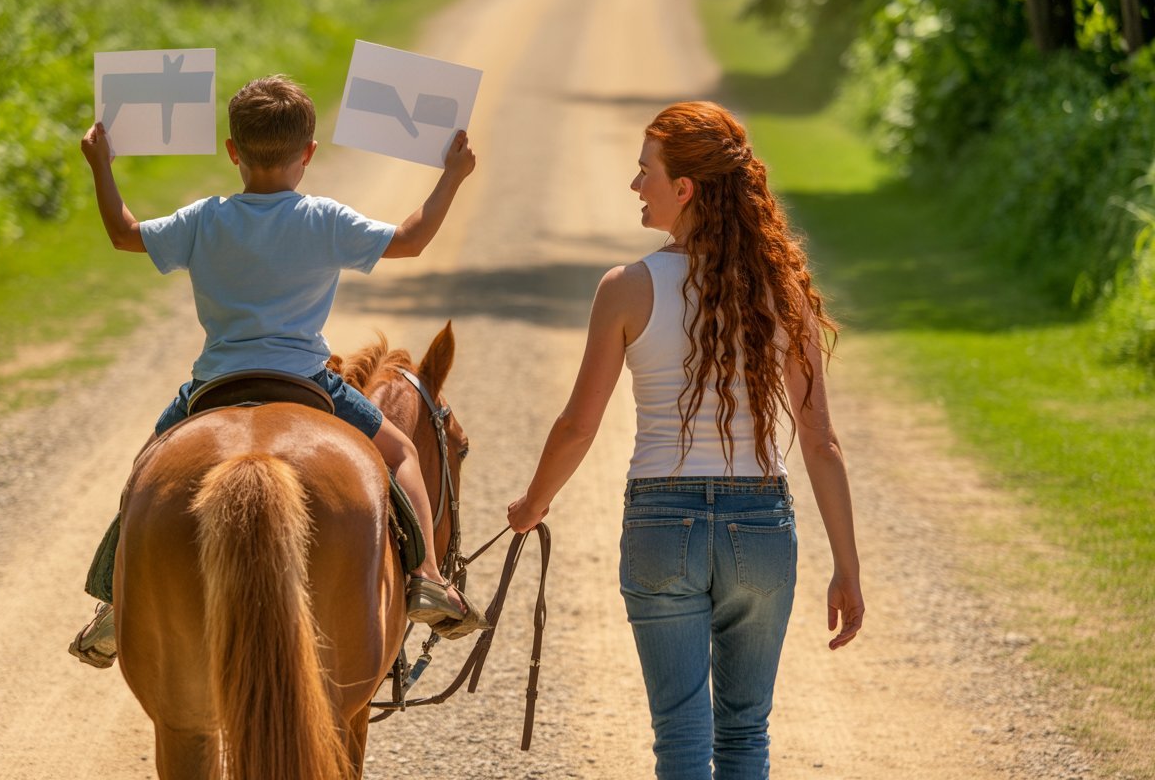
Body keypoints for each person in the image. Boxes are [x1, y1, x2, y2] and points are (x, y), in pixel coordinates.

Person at [69, 75, 485, 668]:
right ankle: (425, 576)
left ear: (233, 151)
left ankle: (116, 599)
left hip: (213, 389)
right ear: (308, 154)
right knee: (401, 456)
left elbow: (123, 234)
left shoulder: (204, 219)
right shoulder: (322, 218)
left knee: (146, 473)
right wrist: (453, 175)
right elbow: (412, 240)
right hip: (310, 384)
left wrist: (100, 165)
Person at [506, 101, 864, 778]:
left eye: (646, 172)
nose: (634, 186)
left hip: (660, 522)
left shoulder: (626, 289)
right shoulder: (782, 291)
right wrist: (847, 567)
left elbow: (578, 426)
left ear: (685, 188)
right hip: (760, 522)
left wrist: (533, 504)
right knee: (744, 734)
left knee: (679, 737)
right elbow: (821, 442)